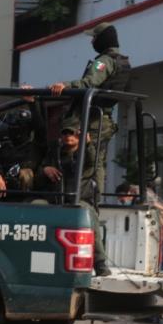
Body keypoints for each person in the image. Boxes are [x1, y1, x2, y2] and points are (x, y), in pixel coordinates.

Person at [49, 22, 131, 196]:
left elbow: (89, 83)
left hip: (94, 119)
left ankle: (82, 199)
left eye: (94, 38)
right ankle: (92, 199)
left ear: (102, 39)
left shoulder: (104, 61)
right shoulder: (121, 61)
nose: (91, 41)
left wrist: (66, 85)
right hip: (103, 119)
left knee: (85, 160)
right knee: (97, 162)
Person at [38, 116, 110, 276]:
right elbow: (41, 169)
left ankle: (100, 264)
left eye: (72, 133)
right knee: (35, 206)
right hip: (56, 198)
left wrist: (88, 144)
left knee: (88, 216)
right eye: (64, 133)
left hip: (80, 199)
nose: (67, 137)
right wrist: (45, 169)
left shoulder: (89, 152)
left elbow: (94, 164)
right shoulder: (55, 152)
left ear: (80, 134)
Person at [0, 106, 47, 200]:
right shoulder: (6, 148)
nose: (9, 131)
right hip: (4, 197)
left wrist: (32, 103)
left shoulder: (35, 147)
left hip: (27, 201)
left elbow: (41, 129)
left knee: (26, 173)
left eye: (13, 128)